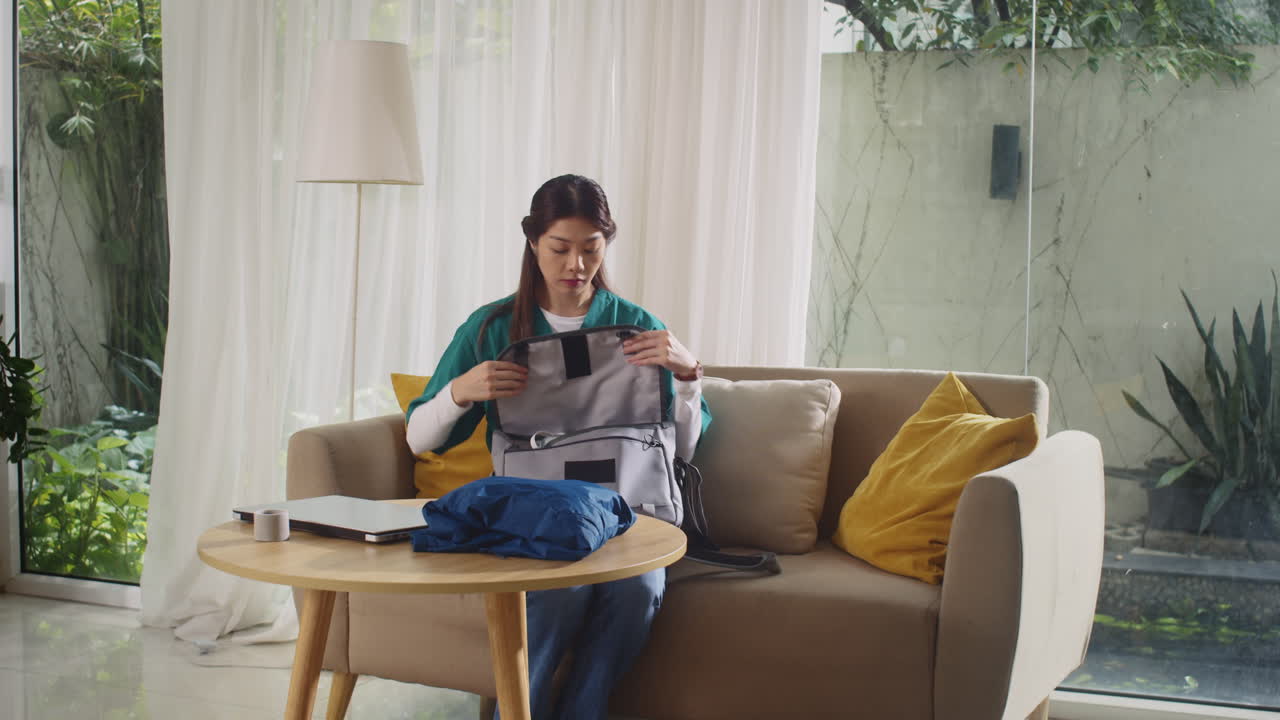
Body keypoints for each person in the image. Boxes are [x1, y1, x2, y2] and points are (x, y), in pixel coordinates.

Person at [405, 174, 711, 720]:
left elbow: (680, 450)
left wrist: (689, 377)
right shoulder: (493, 327)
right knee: (560, 592)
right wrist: (459, 392)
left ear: (605, 245)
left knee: (636, 592)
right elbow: (418, 439)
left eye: (590, 249)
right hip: (535, 520)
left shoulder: (637, 326)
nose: (576, 266)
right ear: (532, 244)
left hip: (631, 515)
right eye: (560, 248)